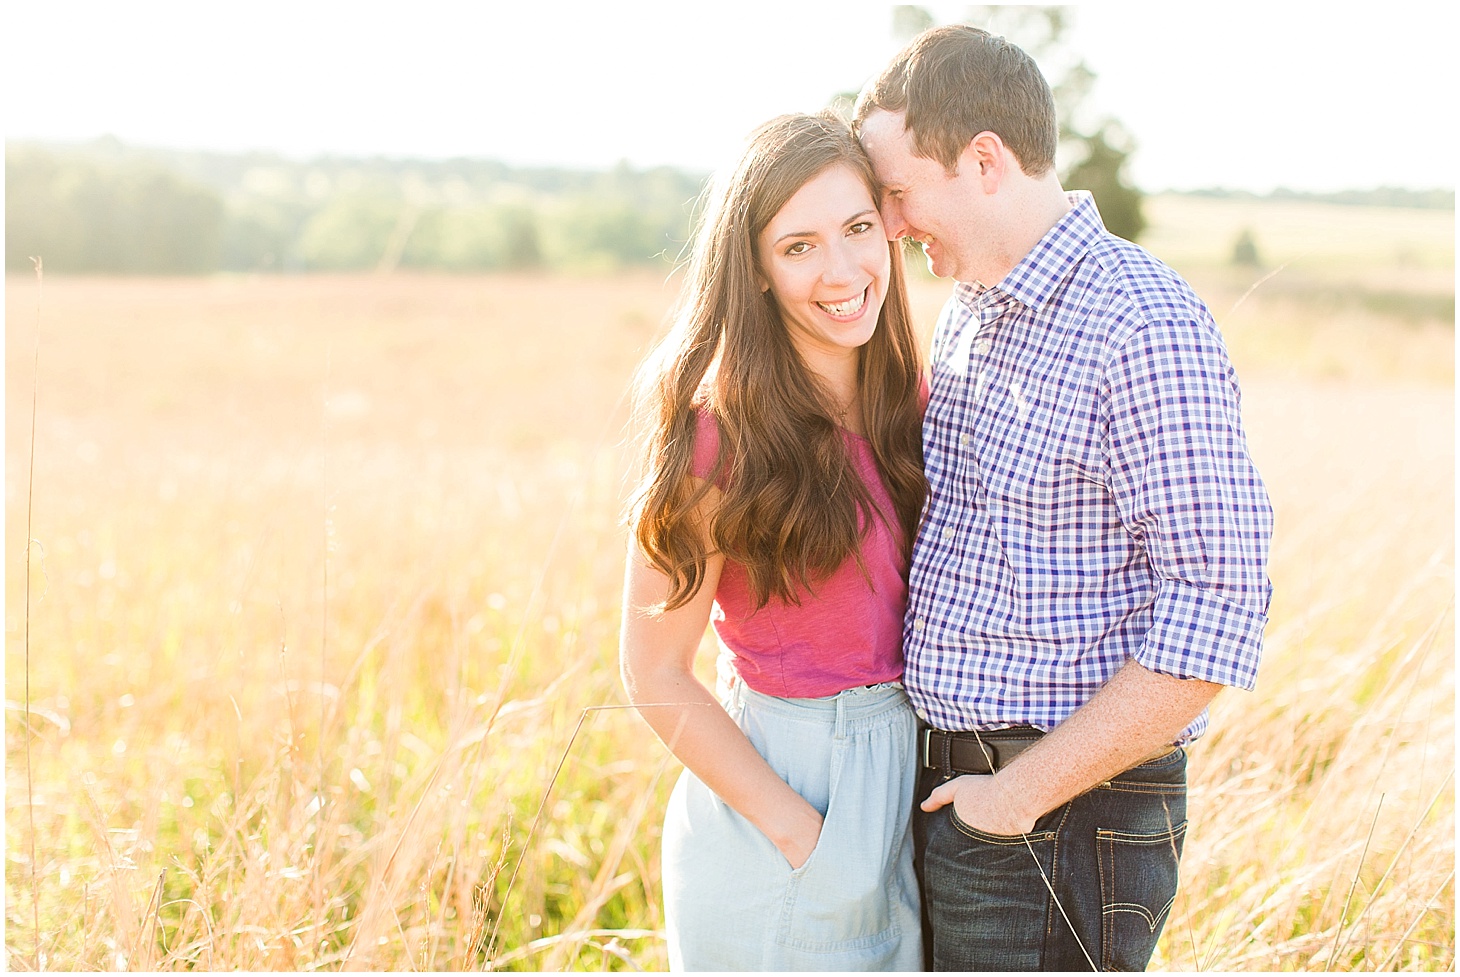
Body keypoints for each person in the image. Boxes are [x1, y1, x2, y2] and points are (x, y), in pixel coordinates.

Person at [853, 25, 1274, 972]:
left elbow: (1219, 607)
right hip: (976, 805)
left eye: (897, 191)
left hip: (1059, 818)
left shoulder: (1141, 324)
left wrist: (1019, 793)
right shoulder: (973, 310)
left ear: (985, 161)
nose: (888, 221)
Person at [619, 111, 928, 971]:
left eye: (858, 228)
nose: (842, 269)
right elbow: (653, 670)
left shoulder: (915, 404)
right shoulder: (717, 438)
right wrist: (805, 836)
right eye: (798, 246)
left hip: (907, 785)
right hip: (783, 803)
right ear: (752, 269)